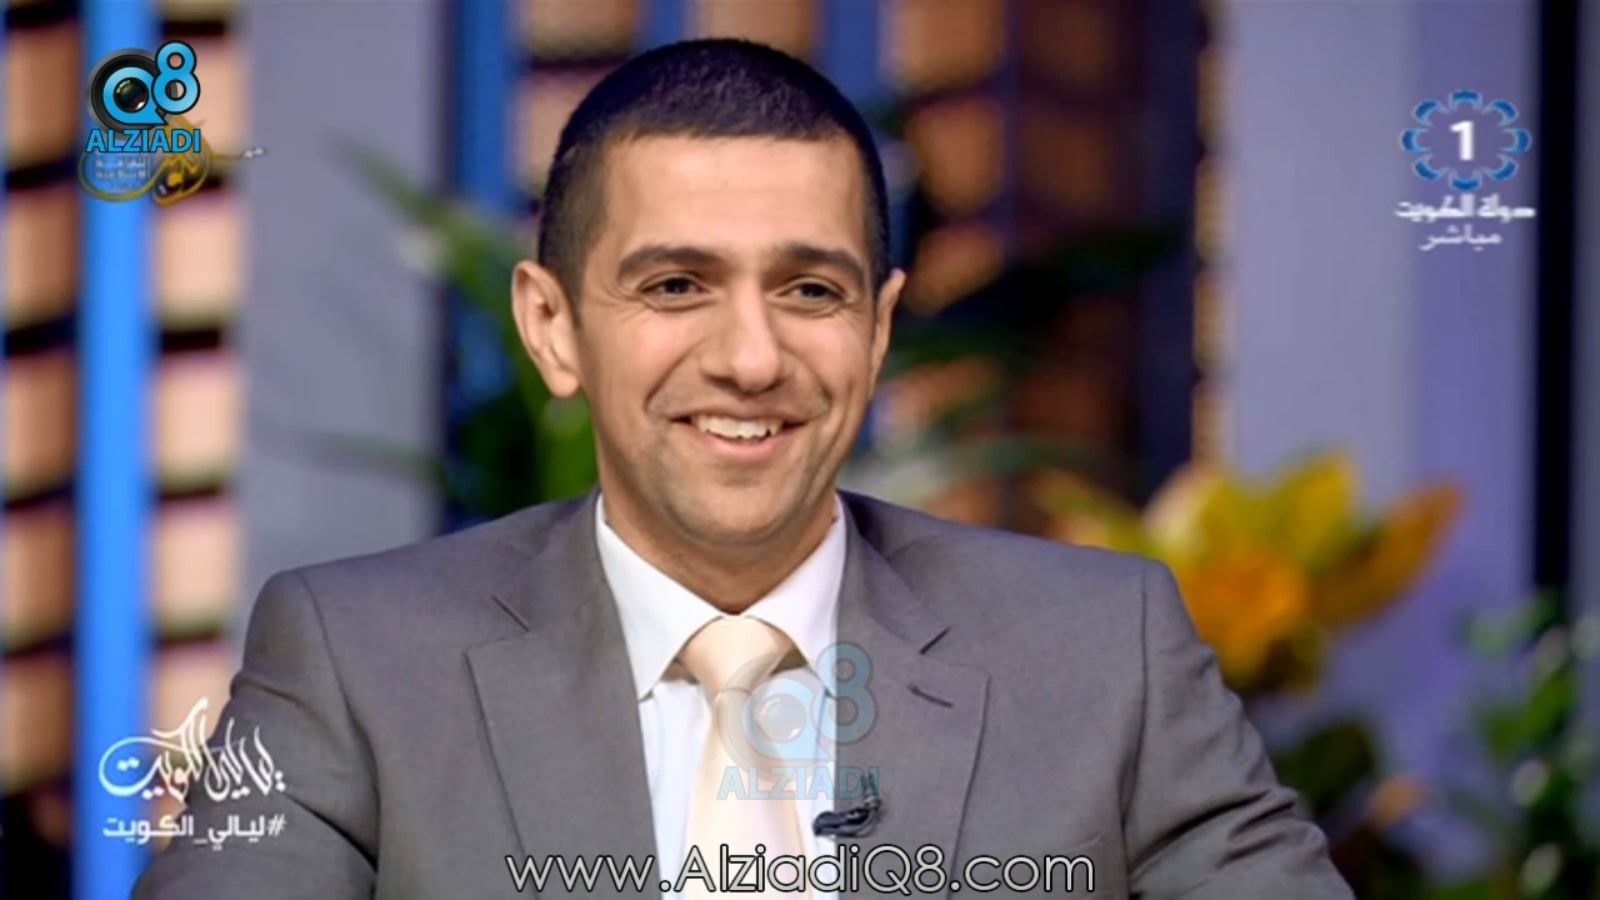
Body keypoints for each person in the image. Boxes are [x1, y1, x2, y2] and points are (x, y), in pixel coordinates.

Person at [135, 38, 1351, 899]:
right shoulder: (355, 663)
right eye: (676, 286)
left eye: (810, 291)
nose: (752, 358)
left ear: (876, 332)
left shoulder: (1103, 654)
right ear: (553, 327)